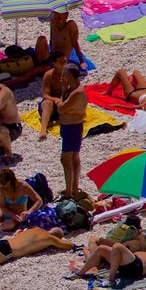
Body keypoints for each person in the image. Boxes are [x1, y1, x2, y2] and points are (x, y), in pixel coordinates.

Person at [5, 11, 88, 87]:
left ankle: (8, 84)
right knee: (42, 39)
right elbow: (52, 41)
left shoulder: (70, 25)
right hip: (50, 55)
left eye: (59, 18)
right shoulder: (53, 23)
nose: (57, 20)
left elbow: (75, 44)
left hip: (59, 60)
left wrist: (82, 61)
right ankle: (39, 64)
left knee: (33, 72)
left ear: (66, 16)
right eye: (55, 17)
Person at [58, 64, 87, 199]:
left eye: (64, 74)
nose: (62, 77)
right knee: (74, 158)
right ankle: (73, 188)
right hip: (70, 127)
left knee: (65, 159)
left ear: (70, 76)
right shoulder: (73, 89)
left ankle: (70, 192)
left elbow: (61, 108)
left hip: (72, 128)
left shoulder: (76, 93)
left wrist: (62, 92)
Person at [70, 241, 146, 286]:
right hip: (126, 263)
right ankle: (80, 273)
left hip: (137, 267)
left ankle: (111, 279)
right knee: (101, 249)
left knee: (117, 246)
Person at [36, 52, 68, 140]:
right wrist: (56, 99)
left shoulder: (69, 74)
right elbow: (45, 95)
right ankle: (43, 130)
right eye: (61, 62)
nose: (64, 64)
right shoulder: (49, 75)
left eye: (65, 61)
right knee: (47, 103)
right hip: (51, 106)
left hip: (64, 103)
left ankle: (54, 122)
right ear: (54, 63)